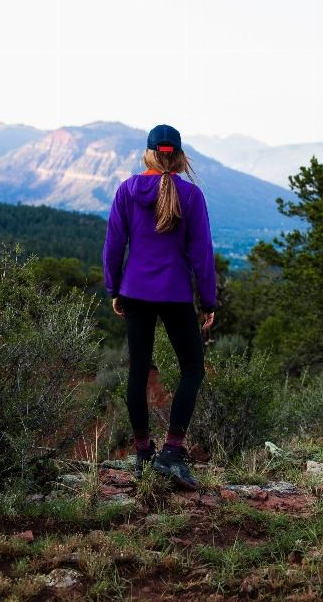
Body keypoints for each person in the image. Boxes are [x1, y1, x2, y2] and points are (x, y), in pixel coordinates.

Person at [103, 124, 216, 489]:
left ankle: (142, 455)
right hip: (176, 293)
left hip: (135, 291)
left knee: (138, 372)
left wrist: (114, 288)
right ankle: (172, 453)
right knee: (192, 370)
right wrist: (208, 301)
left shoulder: (126, 191)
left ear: (149, 154)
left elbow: (113, 245)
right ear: (180, 156)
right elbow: (202, 255)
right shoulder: (191, 195)